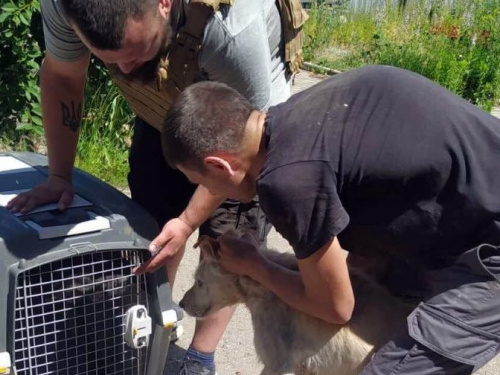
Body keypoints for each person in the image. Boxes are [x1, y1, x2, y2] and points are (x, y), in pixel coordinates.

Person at [6, 0, 308, 373]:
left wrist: (187, 222)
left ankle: (200, 358)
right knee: (152, 219)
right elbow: (64, 77)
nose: (124, 71)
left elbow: (248, 153)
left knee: (228, 239)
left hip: (241, 127)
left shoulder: (231, 30)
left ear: (164, 4)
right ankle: (150, 333)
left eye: (135, 53)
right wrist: (58, 177)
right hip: (163, 108)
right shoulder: (65, 5)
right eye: (109, 60)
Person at [156, 65, 500, 374]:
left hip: (487, 253)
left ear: (220, 166)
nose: (204, 191)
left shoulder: (287, 182)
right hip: (460, 218)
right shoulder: (301, 117)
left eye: (200, 181)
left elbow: (336, 308)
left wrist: (254, 264)